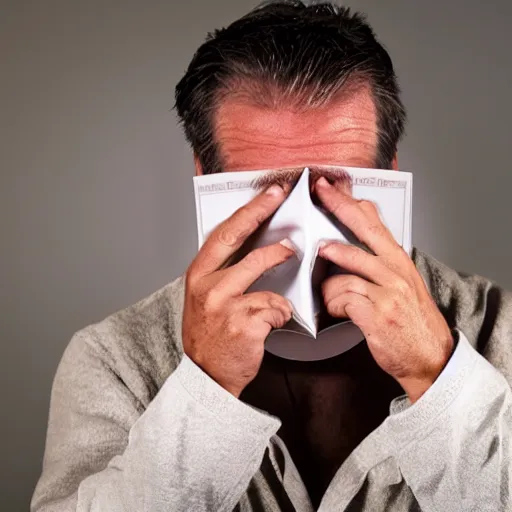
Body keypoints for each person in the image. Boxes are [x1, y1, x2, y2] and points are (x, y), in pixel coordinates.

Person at [32, 2, 512, 511]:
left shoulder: (500, 331)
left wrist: (437, 377)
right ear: (205, 179)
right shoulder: (115, 361)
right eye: (269, 194)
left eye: (333, 188)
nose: (303, 235)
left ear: (389, 173)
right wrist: (204, 393)